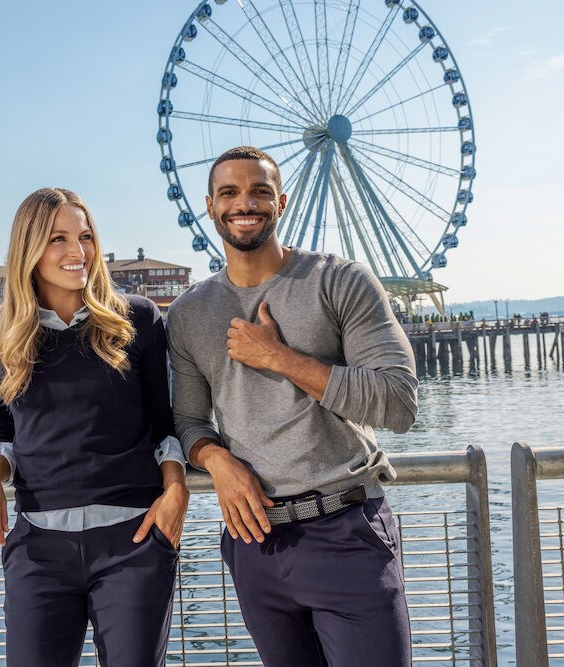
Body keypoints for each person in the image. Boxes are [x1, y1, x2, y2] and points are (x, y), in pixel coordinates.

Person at [166, 146, 418, 666]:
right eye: (230, 193)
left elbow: (398, 402)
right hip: (254, 540)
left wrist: (280, 358)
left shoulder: (341, 281)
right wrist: (217, 462)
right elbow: (188, 420)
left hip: (346, 530)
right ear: (210, 206)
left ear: (281, 201)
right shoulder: (189, 313)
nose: (245, 203)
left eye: (259, 191)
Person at [0, 187, 188, 667]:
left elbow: (163, 424)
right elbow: (1, 436)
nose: (78, 251)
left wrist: (175, 492)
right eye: (57, 239)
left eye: (85, 236)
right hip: (38, 551)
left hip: (134, 543)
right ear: (28, 249)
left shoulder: (138, 320)